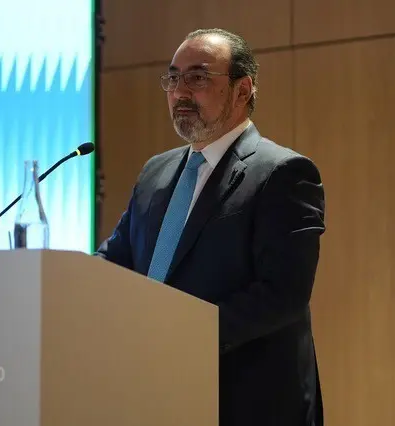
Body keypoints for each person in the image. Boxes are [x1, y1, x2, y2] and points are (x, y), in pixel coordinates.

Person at [95, 28, 325, 426]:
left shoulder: (283, 173)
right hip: (158, 395)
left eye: (198, 78)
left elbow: (282, 293)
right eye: (173, 78)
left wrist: (181, 337)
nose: (180, 92)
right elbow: (116, 259)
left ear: (241, 90)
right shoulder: (156, 171)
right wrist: (57, 278)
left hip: (247, 403)